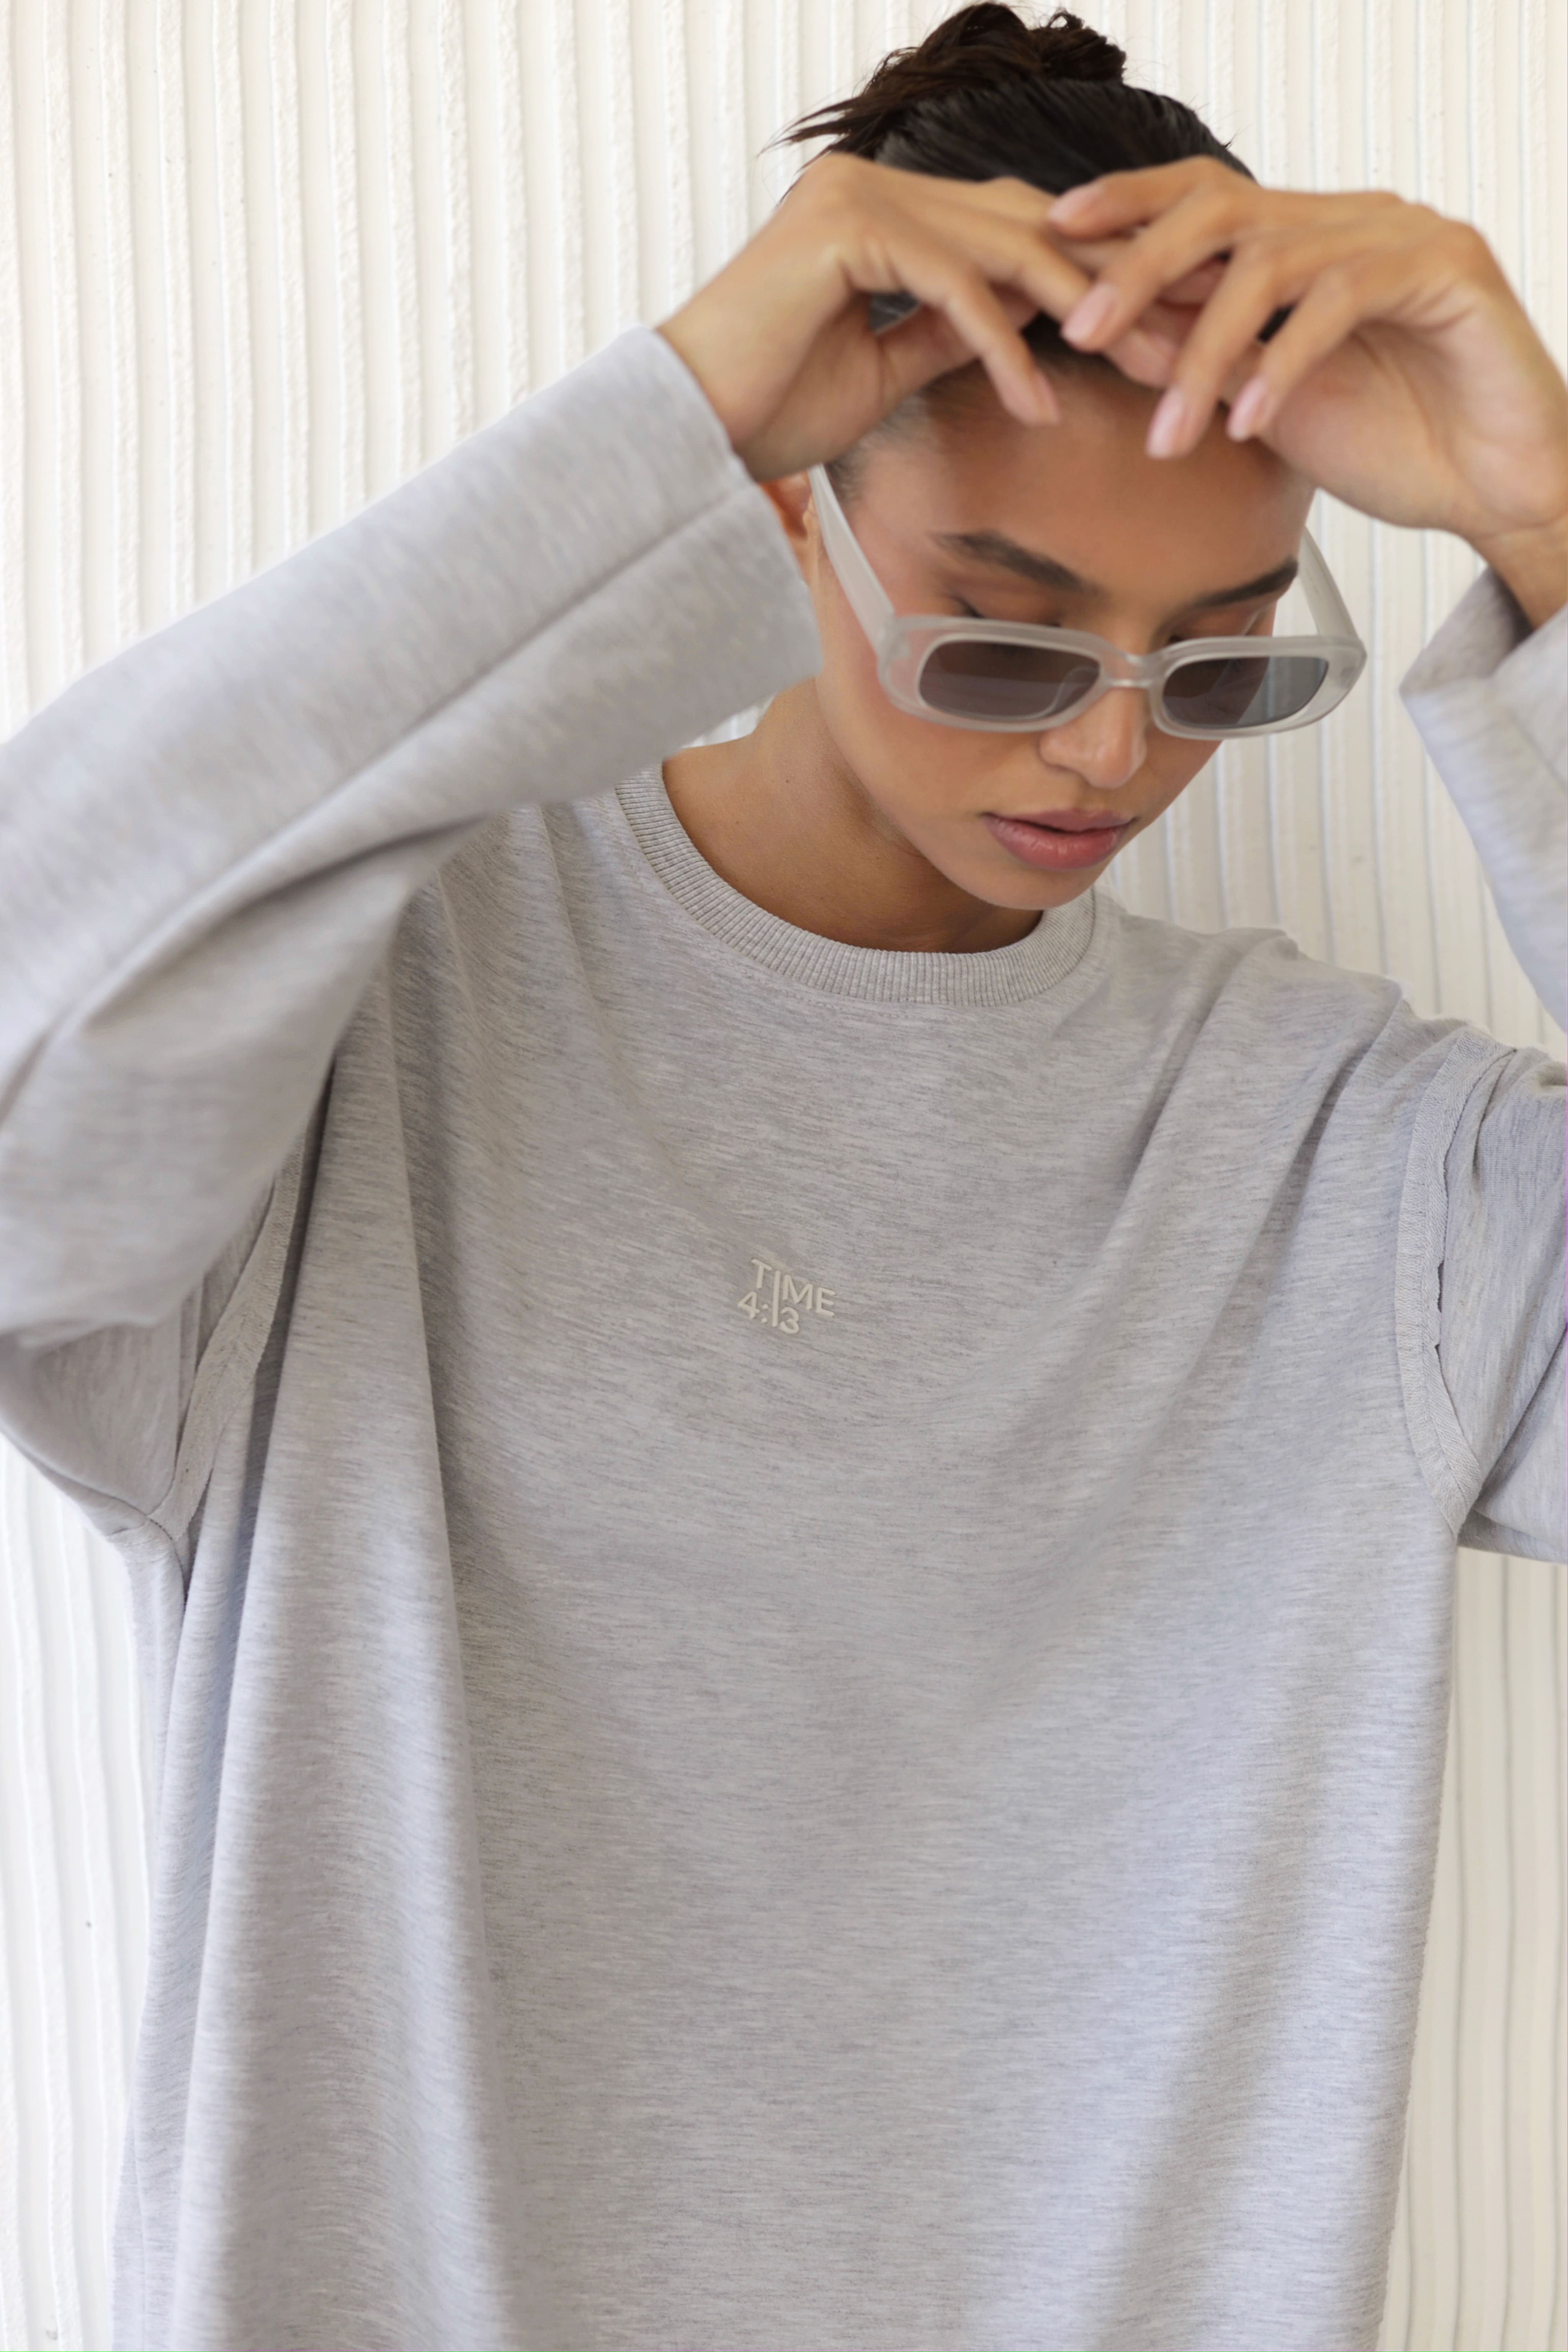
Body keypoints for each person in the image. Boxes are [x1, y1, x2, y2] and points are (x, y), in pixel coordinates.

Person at [0, 5, 1561, 2347]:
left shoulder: (1354, 1170)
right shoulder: (338, 1049)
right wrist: (663, 421)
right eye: (1004, 641)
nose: (1113, 751)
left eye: (1221, 670)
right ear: (783, 517)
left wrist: (1553, 531)